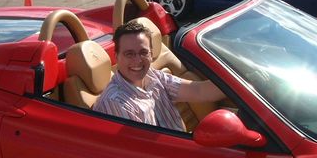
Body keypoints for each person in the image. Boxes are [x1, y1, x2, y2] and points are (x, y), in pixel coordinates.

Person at [94, 22, 225, 131]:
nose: (138, 60)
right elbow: (144, 153)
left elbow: (200, 91)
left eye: (143, 52)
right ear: (116, 57)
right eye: (129, 54)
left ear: (151, 54)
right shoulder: (116, 102)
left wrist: (241, 80)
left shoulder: (153, 76)